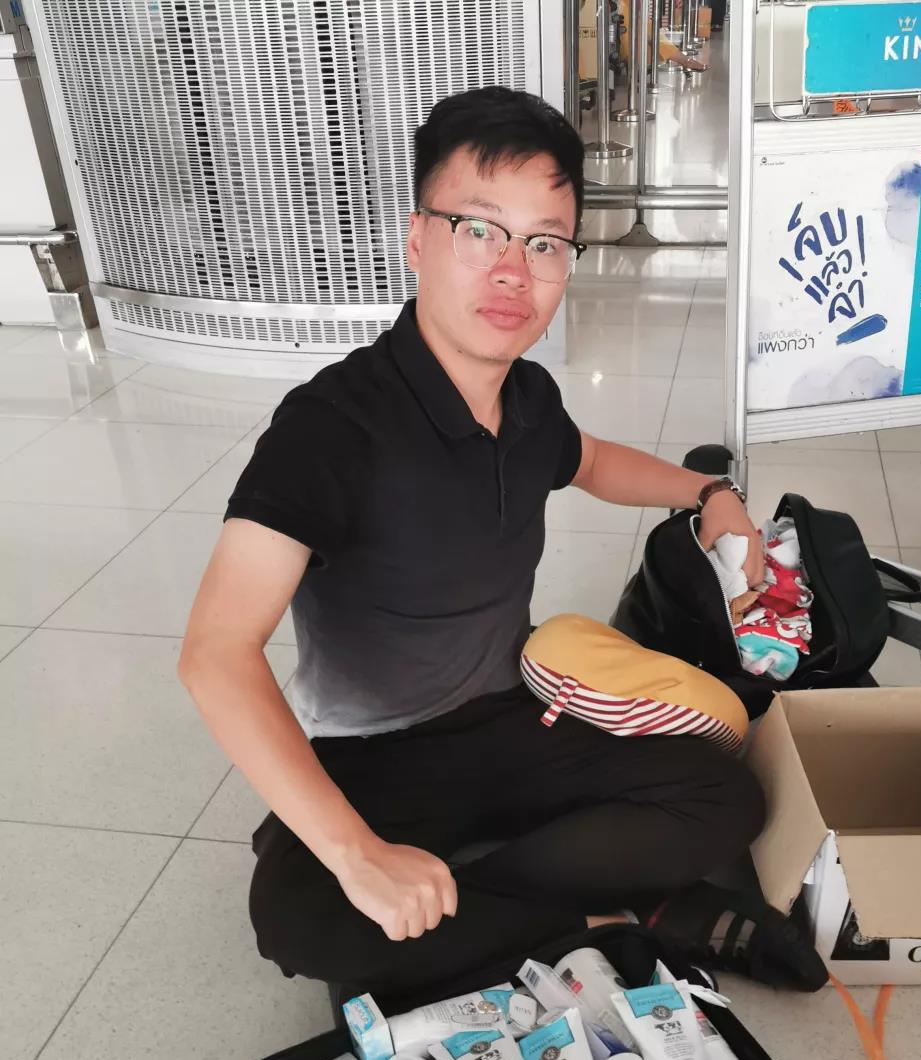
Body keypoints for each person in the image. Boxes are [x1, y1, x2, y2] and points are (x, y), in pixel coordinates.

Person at [179, 86, 766, 1008]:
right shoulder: (330, 427)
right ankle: (616, 916)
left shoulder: (528, 401)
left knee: (726, 796)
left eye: (546, 243)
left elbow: (593, 461)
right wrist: (356, 853)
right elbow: (215, 652)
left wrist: (708, 493)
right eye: (479, 229)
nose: (513, 272)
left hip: (515, 716)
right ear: (418, 238)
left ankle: (489, 917)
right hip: (373, 758)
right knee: (297, 916)